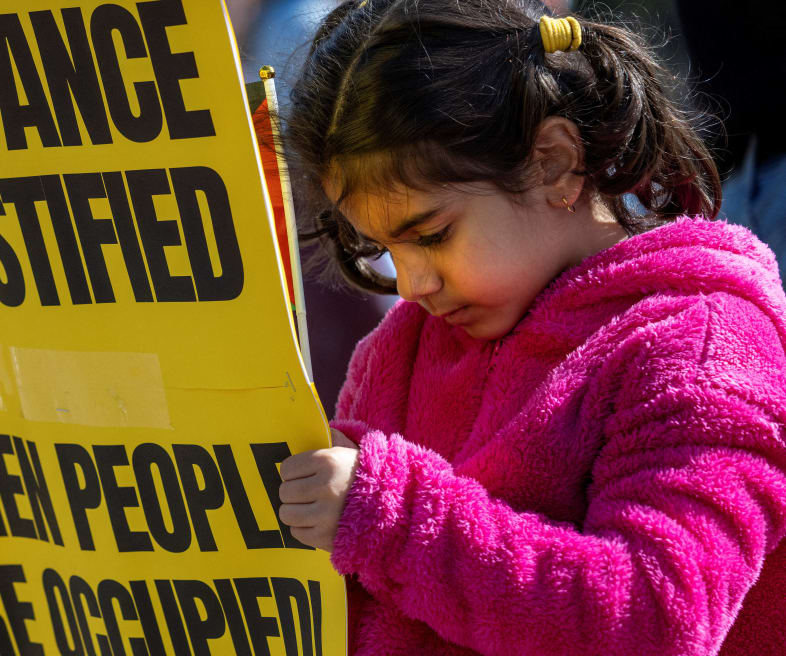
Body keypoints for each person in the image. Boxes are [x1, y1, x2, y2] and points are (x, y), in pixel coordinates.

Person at [275, 1, 786, 655]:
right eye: (384, 248)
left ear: (553, 163)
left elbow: (659, 618)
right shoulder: (399, 352)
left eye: (432, 235)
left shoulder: (702, 347)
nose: (412, 285)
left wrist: (394, 519)